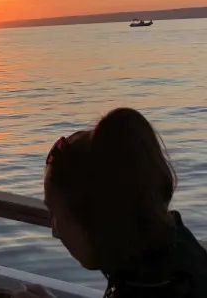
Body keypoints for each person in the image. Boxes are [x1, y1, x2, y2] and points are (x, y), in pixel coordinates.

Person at [14, 108, 207, 298]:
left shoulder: (154, 287)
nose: (55, 231)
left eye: (55, 213)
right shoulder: (176, 257)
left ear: (96, 219)